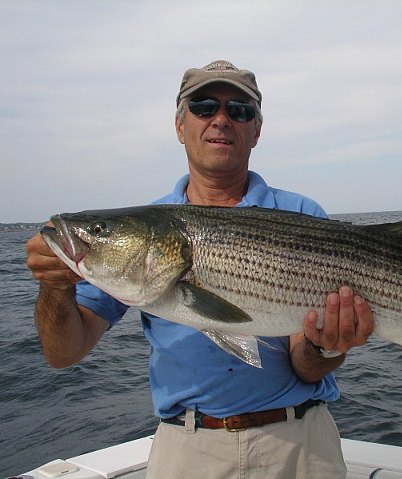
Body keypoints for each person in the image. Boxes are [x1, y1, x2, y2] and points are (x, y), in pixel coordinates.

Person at [26, 60, 375, 478]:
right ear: (179, 125)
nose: (221, 120)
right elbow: (63, 353)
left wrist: (326, 346)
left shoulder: (300, 215)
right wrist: (55, 287)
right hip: (187, 449)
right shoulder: (149, 224)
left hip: (299, 443)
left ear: (256, 130)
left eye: (240, 110)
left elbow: (306, 365)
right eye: (204, 106)